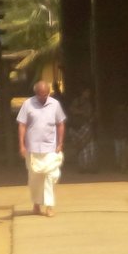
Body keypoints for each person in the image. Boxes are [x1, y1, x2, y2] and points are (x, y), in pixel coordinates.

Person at [17, 79, 66, 216]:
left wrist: (60, 143)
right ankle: (36, 204)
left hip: (50, 147)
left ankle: (49, 206)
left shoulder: (55, 104)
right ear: (36, 93)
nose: (43, 97)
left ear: (49, 93)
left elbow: (60, 124)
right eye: (40, 94)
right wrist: (21, 145)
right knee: (35, 178)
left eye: (46, 94)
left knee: (51, 175)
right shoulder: (28, 104)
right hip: (32, 148)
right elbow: (22, 125)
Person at [66, 88, 98, 173]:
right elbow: (72, 109)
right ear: (83, 92)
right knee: (81, 147)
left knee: (90, 147)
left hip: (86, 125)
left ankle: (91, 167)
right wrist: (81, 112)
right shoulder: (77, 101)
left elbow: (91, 113)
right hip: (78, 127)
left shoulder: (90, 102)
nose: (88, 93)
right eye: (86, 92)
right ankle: (83, 167)